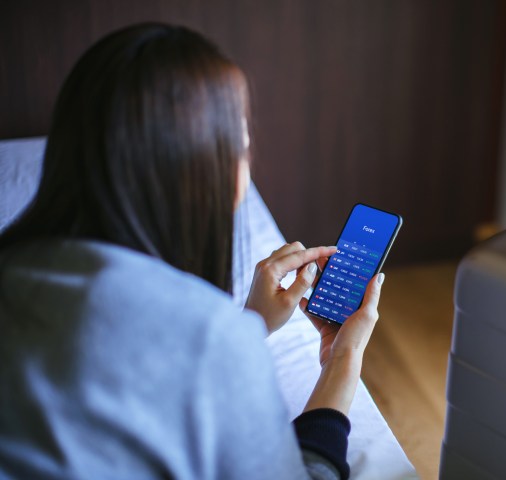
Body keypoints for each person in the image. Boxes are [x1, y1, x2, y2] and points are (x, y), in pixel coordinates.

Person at [0, 23, 384, 479]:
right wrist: (343, 357)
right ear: (202, 178)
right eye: (239, 150)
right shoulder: (210, 340)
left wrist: (249, 326)